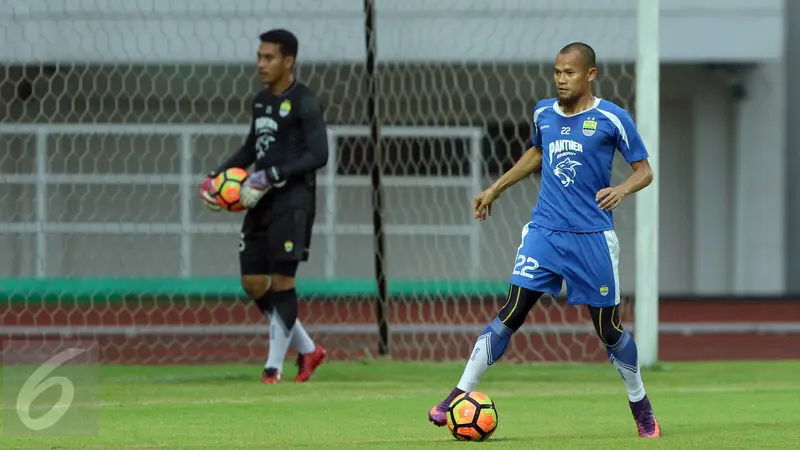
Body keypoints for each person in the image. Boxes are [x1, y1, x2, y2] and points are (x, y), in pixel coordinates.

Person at [426, 42, 660, 438]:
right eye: (557, 72)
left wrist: (622, 189)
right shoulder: (543, 113)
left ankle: (641, 406)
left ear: (590, 75)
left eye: (569, 73)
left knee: (609, 330)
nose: (561, 79)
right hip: (544, 233)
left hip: (592, 238)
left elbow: (645, 171)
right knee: (512, 310)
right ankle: (457, 394)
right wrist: (495, 188)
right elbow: (537, 152)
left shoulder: (611, 118)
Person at [200, 29, 328, 384]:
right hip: (259, 201)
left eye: (268, 57)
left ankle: (273, 369)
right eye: (259, 56)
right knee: (253, 282)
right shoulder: (260, 101)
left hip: (293, 202)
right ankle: (309, 350)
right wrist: (216, 176)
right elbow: (250, 150)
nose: (261, 63)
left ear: (288, 61)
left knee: (283, 282)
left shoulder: (305, 101)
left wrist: (271, 174)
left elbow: (319, 155)